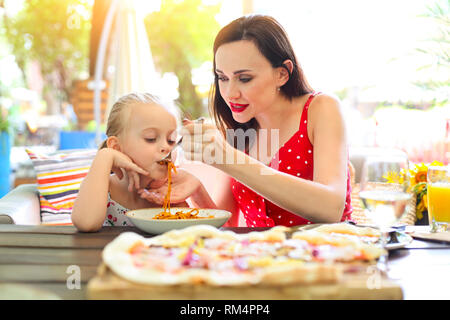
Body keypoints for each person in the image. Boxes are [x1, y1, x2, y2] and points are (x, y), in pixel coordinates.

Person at [144, 14, 353, 228]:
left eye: (244, 79)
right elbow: (229, 227)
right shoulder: (239, 131)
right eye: (222, 78)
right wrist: (196, 190)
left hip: (328, 254)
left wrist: (230, 160)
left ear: (282, 74)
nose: (230, 93)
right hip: (260, 258)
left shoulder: (321, 108)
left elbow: (330, 209)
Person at [71, 93, 214, 232]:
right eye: (150, 138)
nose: (166, 147)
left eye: (171, 140)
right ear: (116, 147)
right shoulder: (103, 187)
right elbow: (87, 223)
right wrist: (105, 156)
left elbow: (214, 233)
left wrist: (198, 190)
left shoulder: (171, 198)